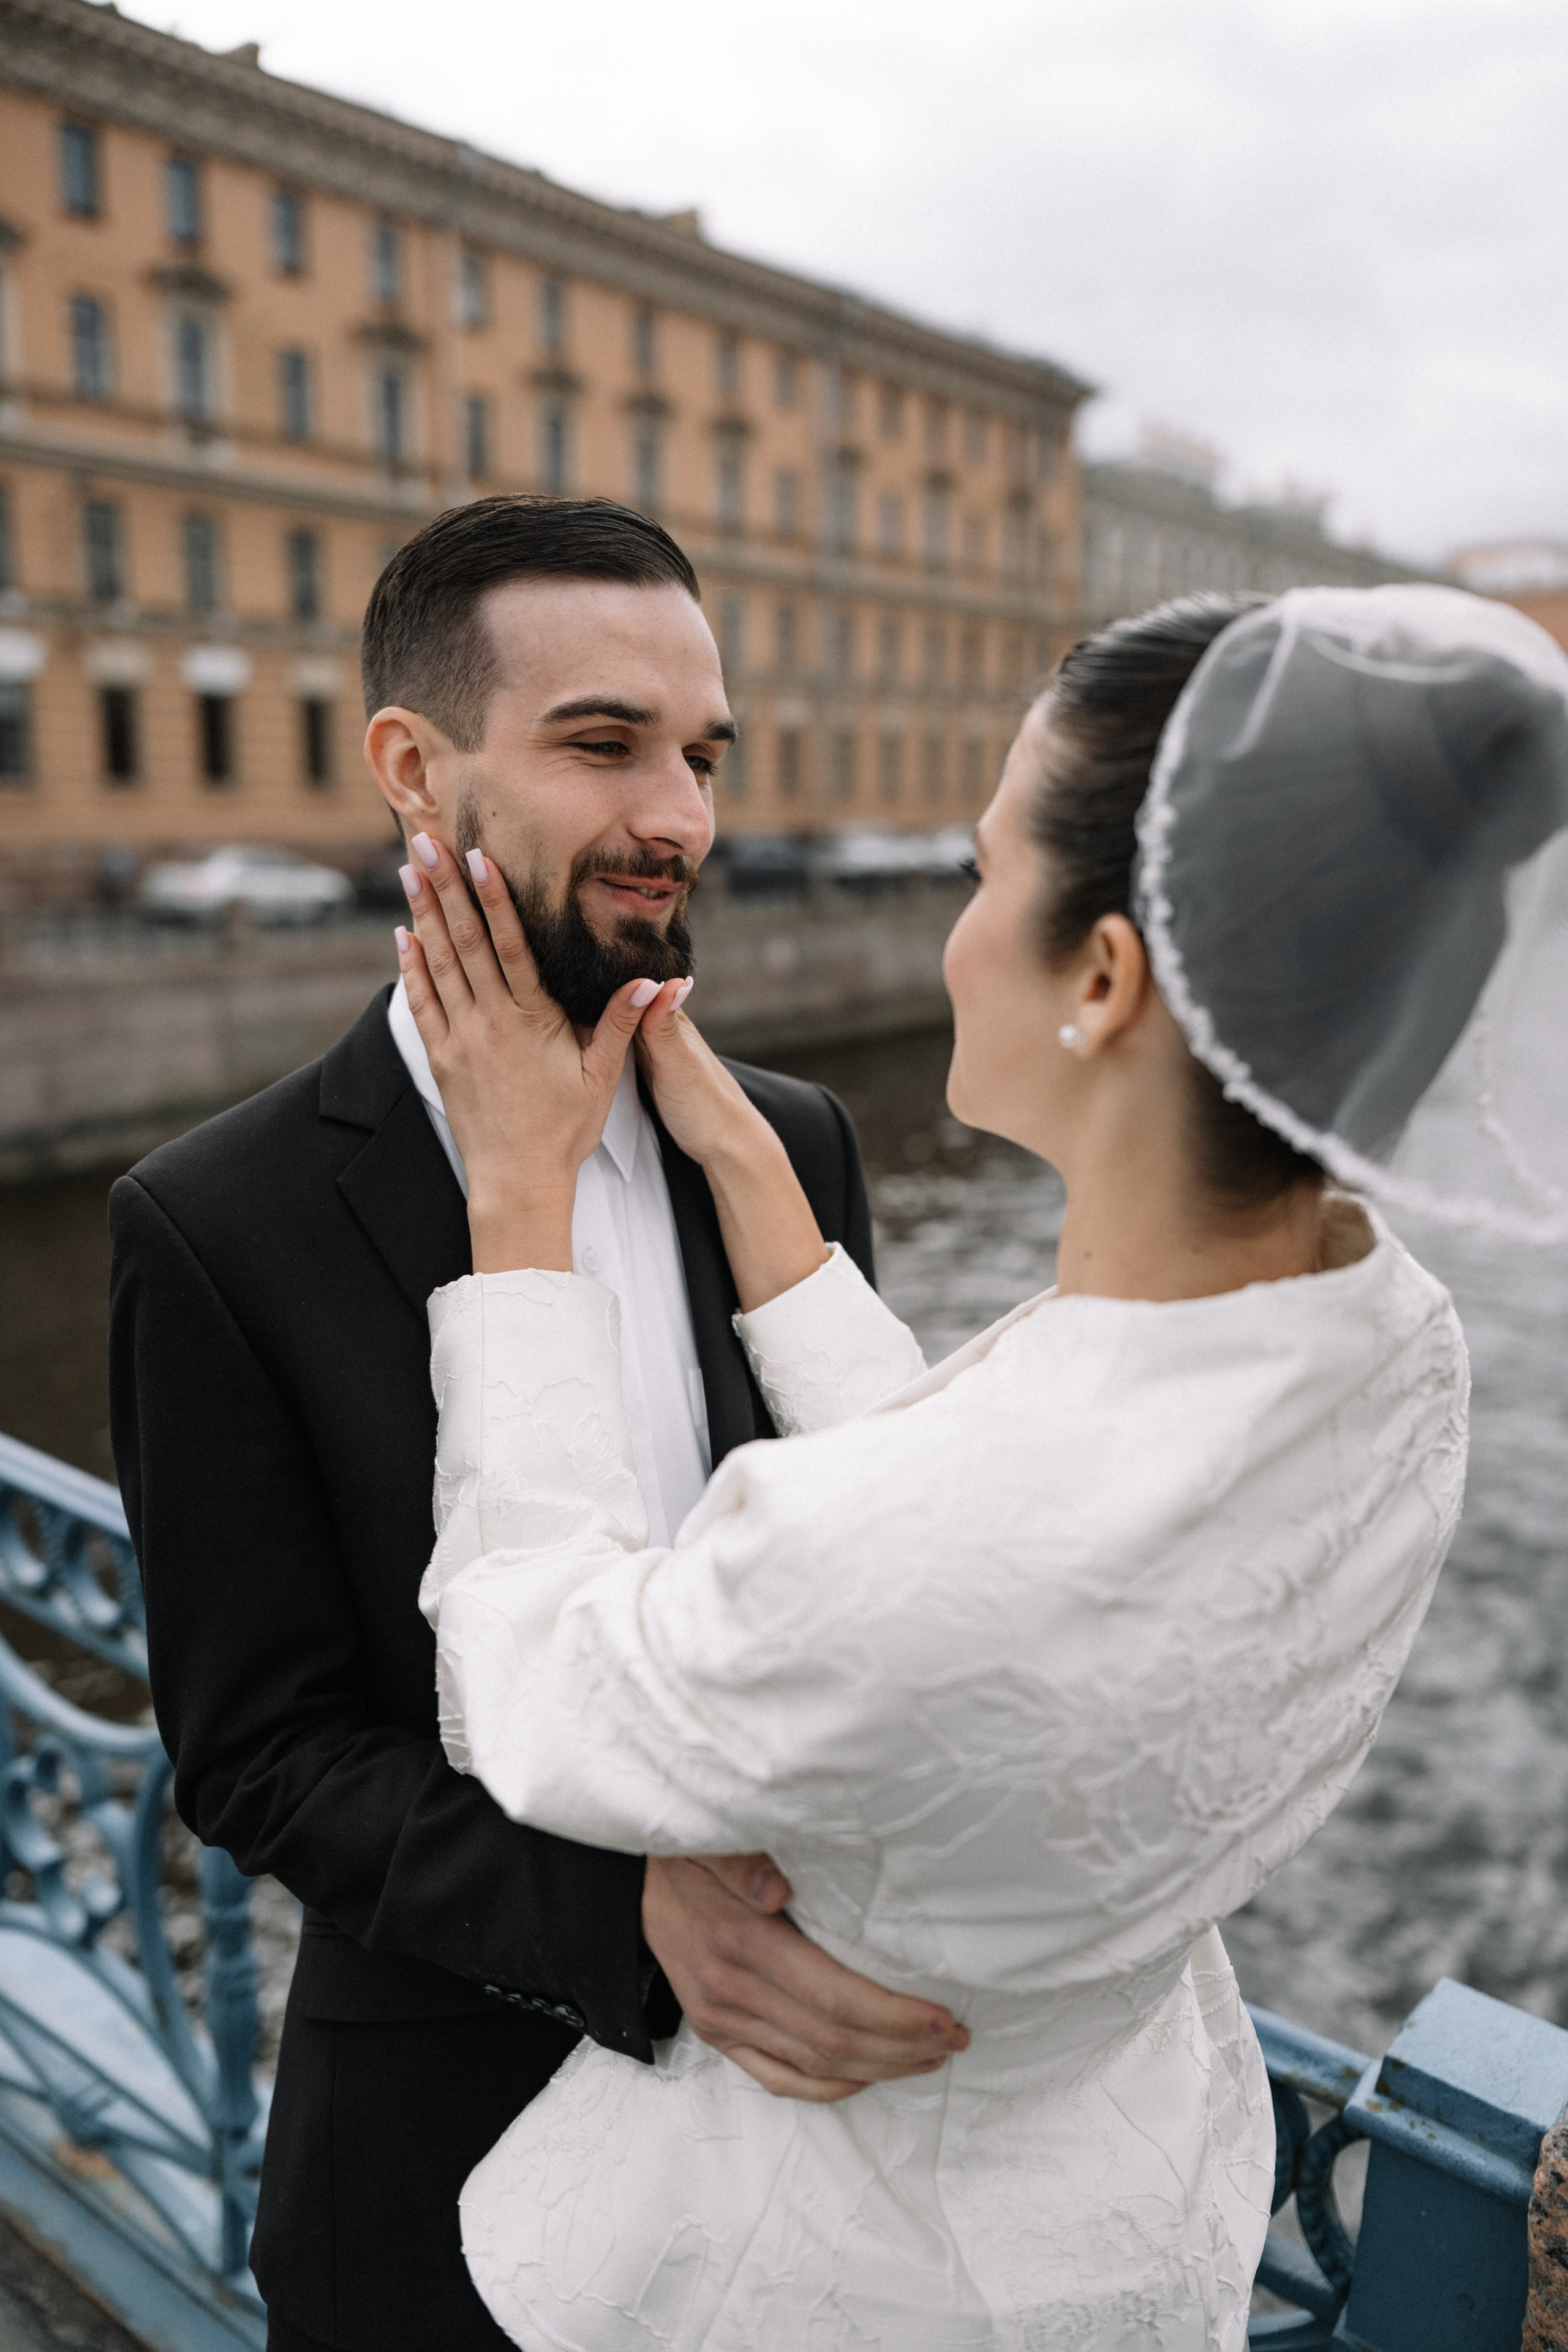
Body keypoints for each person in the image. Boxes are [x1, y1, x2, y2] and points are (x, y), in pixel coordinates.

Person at [395, 583, 1568, 2349]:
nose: (953, 931)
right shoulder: (1395, 1339)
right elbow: (1009, 1524)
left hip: (843, 2282)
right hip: (1134, 2200)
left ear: (1103, 975)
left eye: (978, 875)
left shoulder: (904, 1544)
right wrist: (762, 1194)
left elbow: (530, 1678)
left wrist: (516, 1226)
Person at [107, 497, 965, 2352]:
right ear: (416, 770)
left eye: (702, 754)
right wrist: (628, 1921)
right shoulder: (219, 1217)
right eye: (603, 743)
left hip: (829, 2162)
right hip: (443, 2168)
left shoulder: (792, 1142)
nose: (680, 813)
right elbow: (257, 1752)